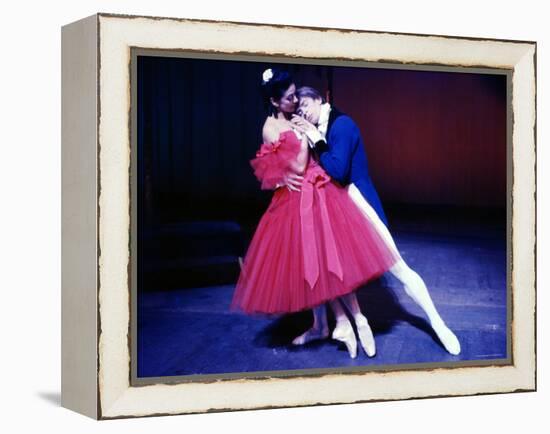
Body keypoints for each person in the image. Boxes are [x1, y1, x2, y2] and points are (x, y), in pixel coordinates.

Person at [231, 68, 400, 358]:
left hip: (321, 190)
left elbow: (318, 150)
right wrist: (300, 138)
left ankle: (354, 321)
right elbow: (293, 167)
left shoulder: (297, 115)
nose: (295, 100)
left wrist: (308, 132)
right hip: (295, 200)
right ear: (274, 101)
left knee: (333, 260)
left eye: (296, 94)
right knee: (313, 264)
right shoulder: (271, 127)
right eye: (289, 97)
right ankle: (332, 323)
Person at [289, 85, 461, 355]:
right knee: (326, 267)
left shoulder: (342, 124)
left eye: (305, 106)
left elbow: (338, 170)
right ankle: (328, 324)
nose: (302, 112)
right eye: (298, 110)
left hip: (361, 205)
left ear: (319, 99)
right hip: (339, 210)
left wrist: (314, 138)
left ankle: (437, 323)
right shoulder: (315, 129)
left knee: (398, 267)